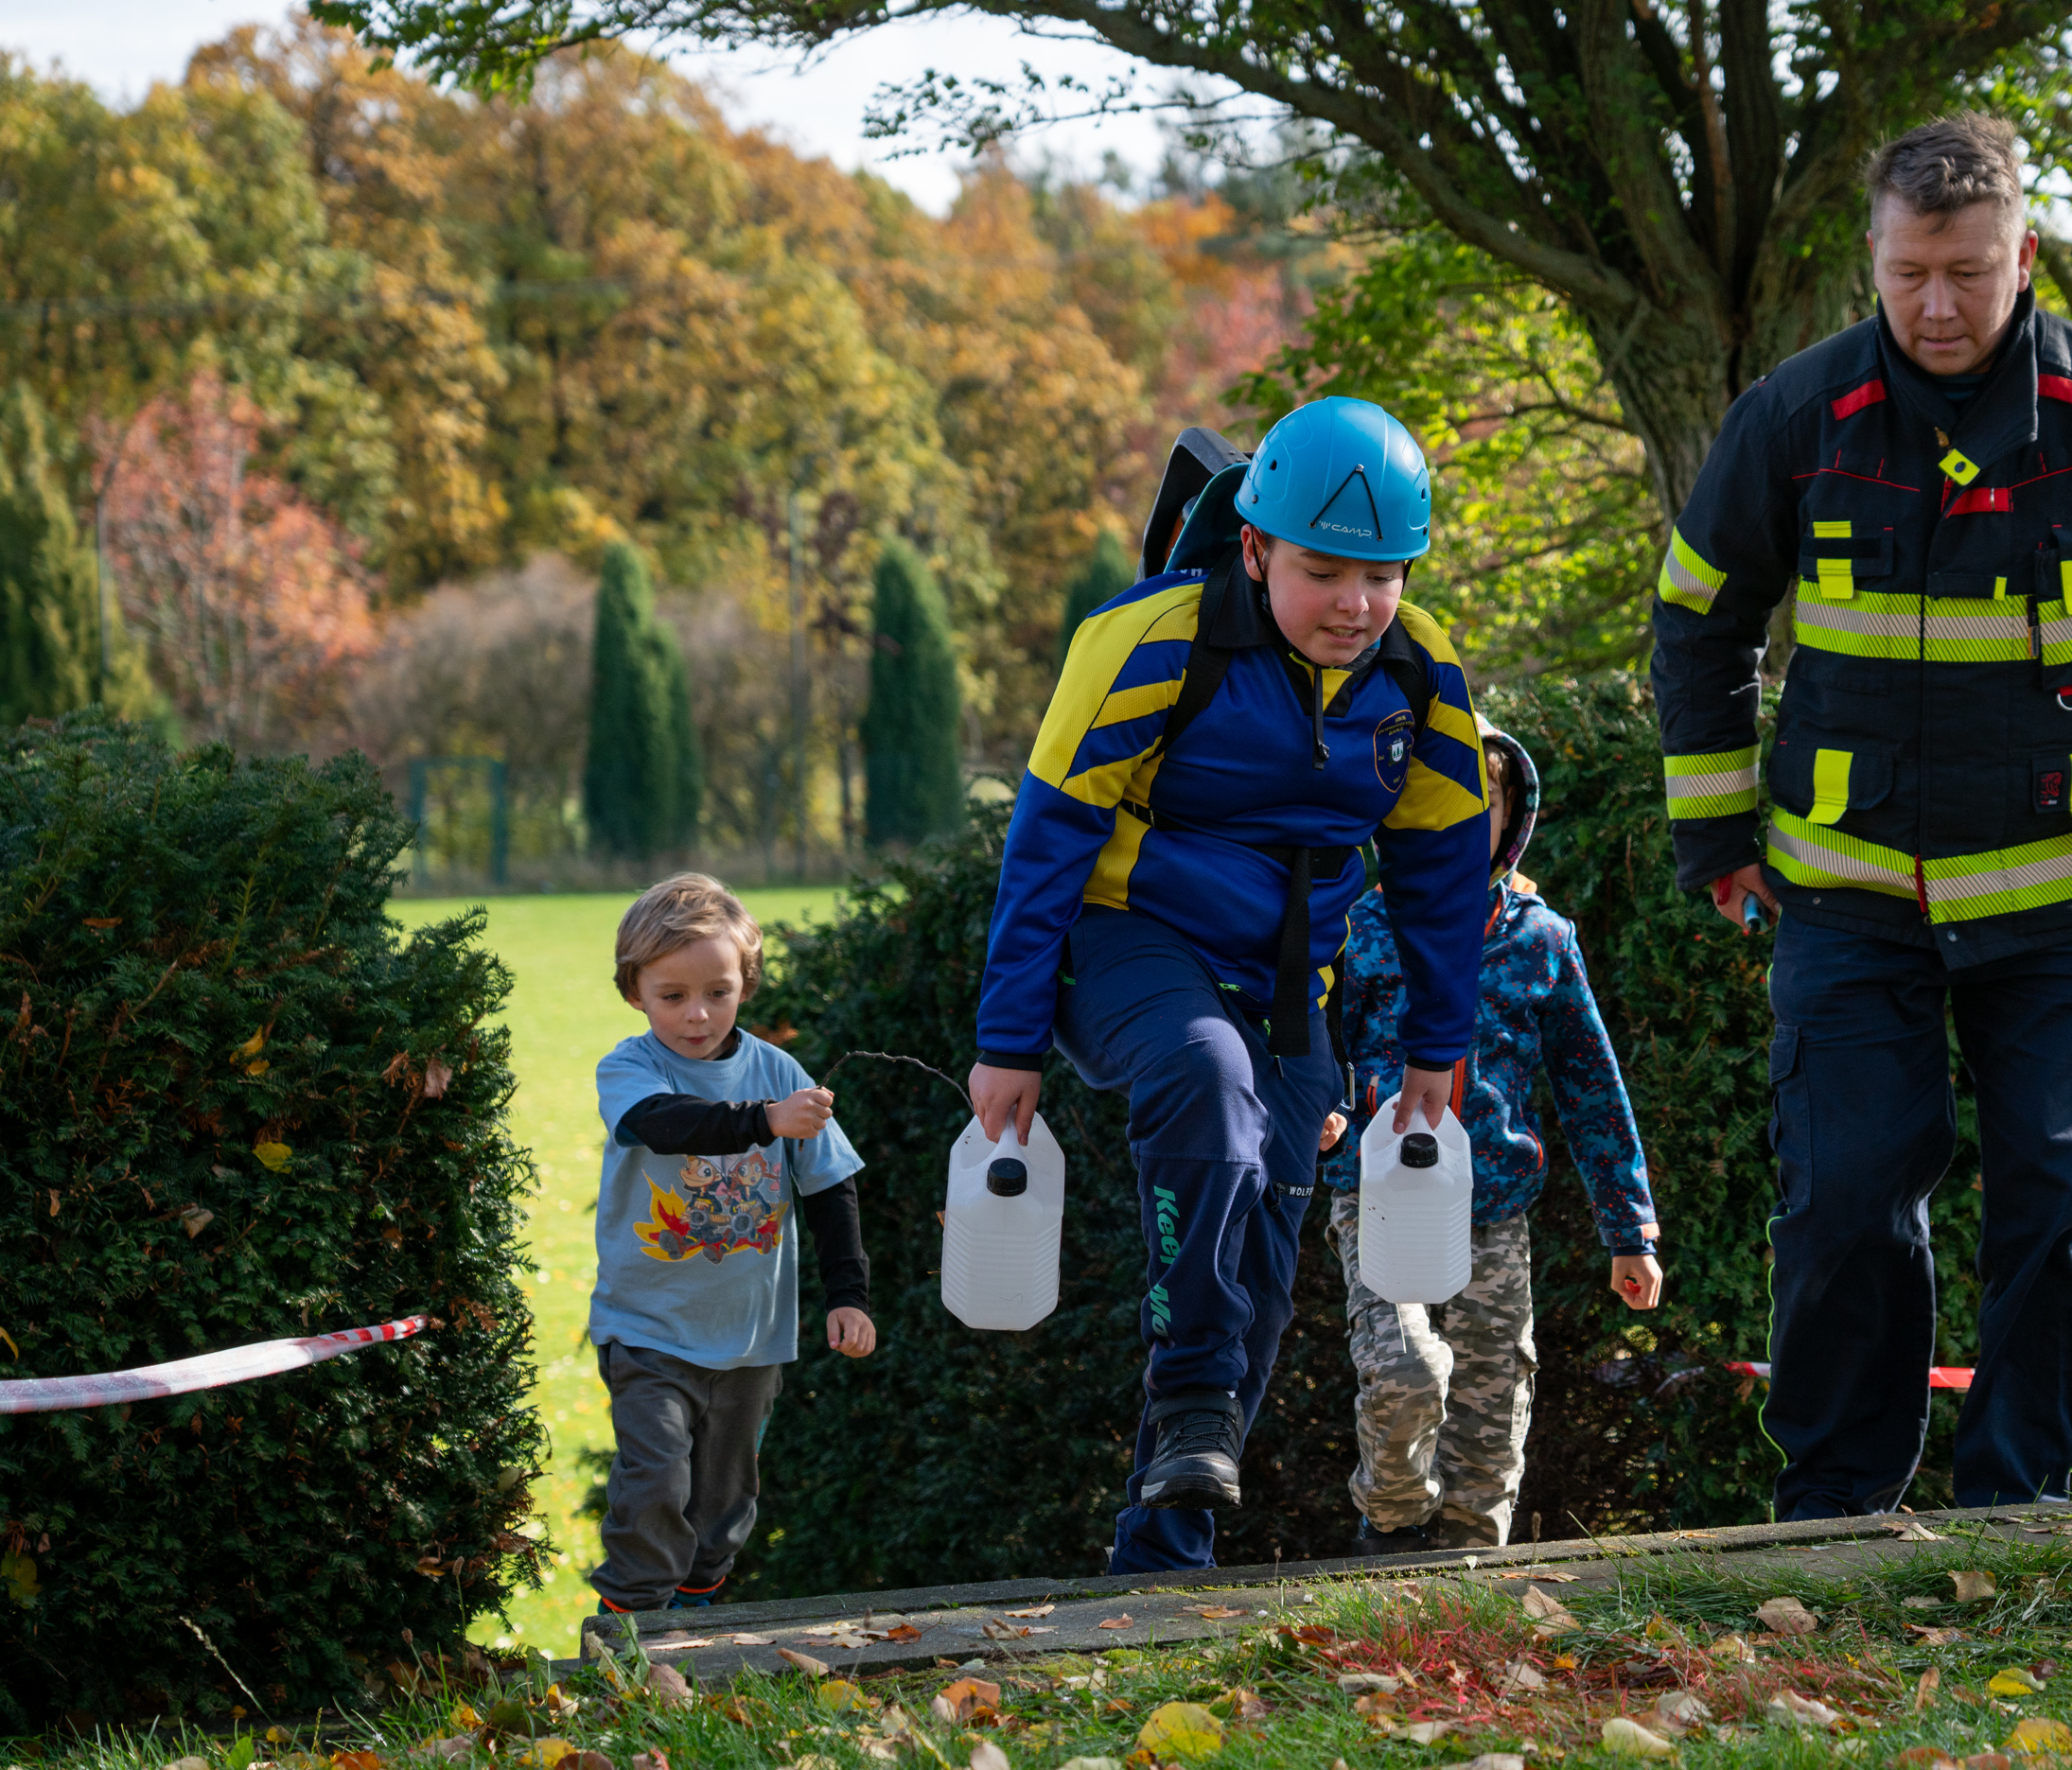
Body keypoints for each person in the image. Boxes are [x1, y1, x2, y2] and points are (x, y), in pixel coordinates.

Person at [1649, 114, 2072, 1516]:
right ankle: (1830, 1513)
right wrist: (1714, 833)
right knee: (1843, 1209)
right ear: (1870, 262)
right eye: (1908, 276)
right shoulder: (1793, 416)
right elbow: (1697, 621)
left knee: (2055, 1212)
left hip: (2063, 903)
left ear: (2024, 258)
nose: (1937, 308)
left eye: (1970, 274)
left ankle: (2019, 1512)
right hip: (1848, 893)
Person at [968, 396, 1490, 1575]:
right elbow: (1046, 842)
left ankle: (1162, 1552)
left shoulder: (1419, 674)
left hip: (1287, 981)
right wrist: (1008, 1038)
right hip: (1125, 941)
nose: (1354, 604)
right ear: (1254, 548)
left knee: (1261, 1249)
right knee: (1206, 1079)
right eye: (1322, 572)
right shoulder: (1152, 637)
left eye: (1383, 575)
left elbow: (1441, 871)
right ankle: (1195, 1400)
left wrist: (1432, 1045)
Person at [1317, 715, 1662, 1554]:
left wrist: (1631, 1230)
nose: (1470, 813)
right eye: (1445, 794)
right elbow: (1311, 1042)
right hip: (1380, 1198)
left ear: (1514, 813)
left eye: (1490, 797)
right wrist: (1321, 1112)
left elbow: (1592, 1090)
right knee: (1405, 1372)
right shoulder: (1359, 930)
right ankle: (1390, 1534)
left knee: (1490, 1418)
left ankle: (1468, 1579)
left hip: (1495, 1213)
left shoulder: (1541, 941)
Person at [588, 873, 873, 1614]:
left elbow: (830, 1187)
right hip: (648, 1331)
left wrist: (849, 1297)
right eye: (671, 996)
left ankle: (694, 1620)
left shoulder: (780, 1074)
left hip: (752, 1341)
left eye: (718, 991)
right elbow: (666, 1124)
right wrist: (764, 1123)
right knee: (654, 1487)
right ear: (634, 993)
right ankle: (625, 1637)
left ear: (745, 982)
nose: (696, 1014)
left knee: (723, 1507)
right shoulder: (631, 1070)